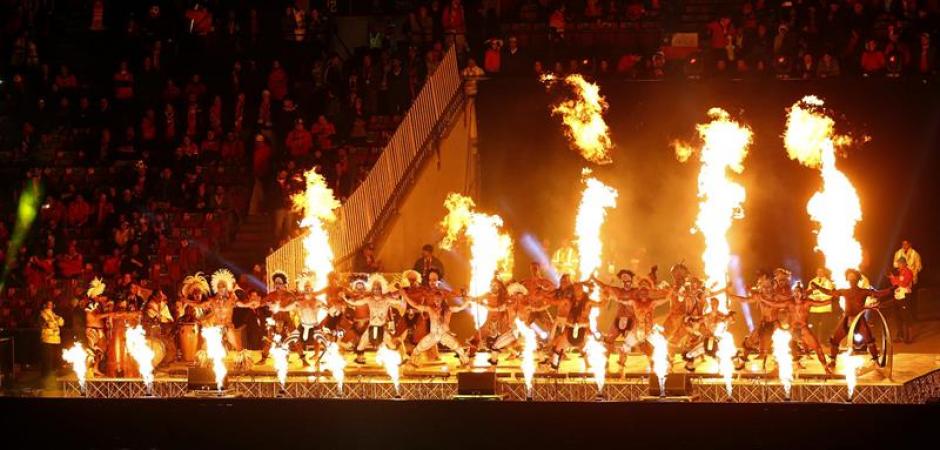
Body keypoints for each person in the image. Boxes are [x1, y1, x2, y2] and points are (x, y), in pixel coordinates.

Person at [811, 269, 893, 368]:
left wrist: (891, 289)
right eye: (849, 278)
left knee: (869, 339)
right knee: (835, 339)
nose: (851, 280)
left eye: (853, 278)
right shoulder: (844, 291)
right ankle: (833, 360)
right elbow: (829, 292)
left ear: (858, 279)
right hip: (847, 319)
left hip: (859, 319)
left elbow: (878, 293)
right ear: (847, 280)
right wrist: (818, 287)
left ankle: (876, 360)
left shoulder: (864, 291)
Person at [404, 268, 471, 367]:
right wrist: (404, 295)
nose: (432, 282)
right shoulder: (426, 296)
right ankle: (414, 360)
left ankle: (464, 361)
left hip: (443, 332)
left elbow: (457, 303)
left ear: (438, 281)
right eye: (430, 280)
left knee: (457, 347)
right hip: (430, 327)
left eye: (434, 280)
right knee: (419, 347)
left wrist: (464, 295)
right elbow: (416, 304)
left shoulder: (446, 304)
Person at [343, 275, 406, 364]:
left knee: (391, 345)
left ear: (382, 289)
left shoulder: (386, 299)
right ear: (372, 289)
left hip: (382, 327)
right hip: (371, 327)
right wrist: (345, 298)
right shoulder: (369, 299)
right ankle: (360, 360)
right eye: (375, 288)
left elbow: (400, 301)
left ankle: (400, 359)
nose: (376, 290)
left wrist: (402, 294)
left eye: (378, 288)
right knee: (360, 346)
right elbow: (355, 302)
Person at [889, 257, 915, 343]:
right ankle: (901, 335)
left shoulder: (908, 272)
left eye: (899, 263)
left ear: (904, 263)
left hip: (905, 296)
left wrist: (894, 279)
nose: (898, 265)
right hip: (897, 296)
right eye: (898, 263)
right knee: (897, 317)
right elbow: (894, 283)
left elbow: (904, 283)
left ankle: (910, 337)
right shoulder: (899, 272)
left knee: (907, 316)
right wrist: (893, 278)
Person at [807, 268, 836, 343]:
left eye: (821, 271)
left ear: (824, 272)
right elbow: (808, 293)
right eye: (818, 271)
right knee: (813, 327)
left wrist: (821, 298)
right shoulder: (812, 281)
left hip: (825, 308)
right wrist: (814, 297)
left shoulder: (828, 282)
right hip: (814, 308)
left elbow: (830, 294)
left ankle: (824, 342)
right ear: (816, 272)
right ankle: (814, 342)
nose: (820, 273)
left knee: (825, 326)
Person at [39, 300, 64, 376]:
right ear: (44, 305)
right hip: (47, 339)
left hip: (56, 340)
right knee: (47, 359)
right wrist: (55, 322)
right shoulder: (42, 314)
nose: (50, 305)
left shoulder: (53, 314)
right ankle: (46, 376)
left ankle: (53, 375)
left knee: (54, 358)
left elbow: (62, 322)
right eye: (49, 304)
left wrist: (55, 322)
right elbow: (49, 324)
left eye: (51, 304)